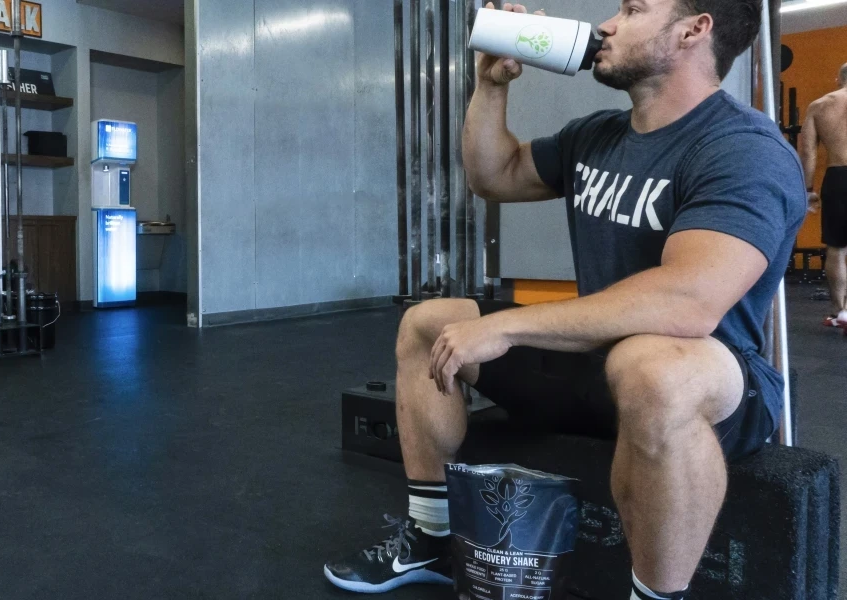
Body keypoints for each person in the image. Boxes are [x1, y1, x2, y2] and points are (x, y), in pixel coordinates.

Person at [324, 1, 806, 598]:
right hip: (600, 363)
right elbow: (492, 175)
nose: (607, 24)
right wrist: (490, 86)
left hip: (710, 378)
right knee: (429, 322)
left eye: (633, 9)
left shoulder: (742, 149)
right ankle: (429, 538)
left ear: (693, 30)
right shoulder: (597, 136)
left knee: (653, 369)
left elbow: (690, 301)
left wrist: (512, 328)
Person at [799, 63, 847, 328]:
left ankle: (841, 312)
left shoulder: (820, 105)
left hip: (839, 177)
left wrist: (808, 190)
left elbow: (809, 153)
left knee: (837, 249)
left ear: (838, 79)